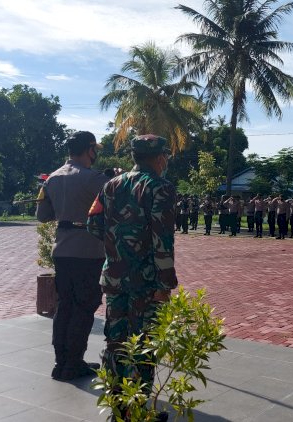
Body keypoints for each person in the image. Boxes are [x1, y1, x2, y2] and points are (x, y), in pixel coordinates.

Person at [87, 134, 176, 421]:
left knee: (116, 342)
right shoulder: (161, 187)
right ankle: (136, 414)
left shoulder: (110, 185)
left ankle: (118, 411)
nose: (166, 161)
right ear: (159, 157)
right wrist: (165, 284)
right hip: (146, 283)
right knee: (143, 345)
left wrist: (118, 246)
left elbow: (93, 223)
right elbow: (162, 239)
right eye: (166, 156)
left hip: (114, 277)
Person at [36, 131, 110, 381]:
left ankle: (61, 362)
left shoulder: (52, 179)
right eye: (95, 149)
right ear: (90, 150)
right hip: (88, 251)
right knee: (84, 307)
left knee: (65, 306)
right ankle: (73, 363)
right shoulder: (95, 178)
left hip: (62, 250)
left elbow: (42, 216)